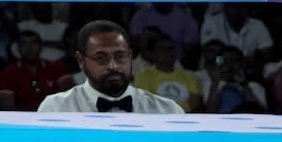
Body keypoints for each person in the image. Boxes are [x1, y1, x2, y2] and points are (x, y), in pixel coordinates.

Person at [37, 21, 180, 113]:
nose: (113, 66)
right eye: (101, 58)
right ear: (81, 60)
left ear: (130, 56)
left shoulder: (167, 110)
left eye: (120, 56)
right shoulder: (56, 108)